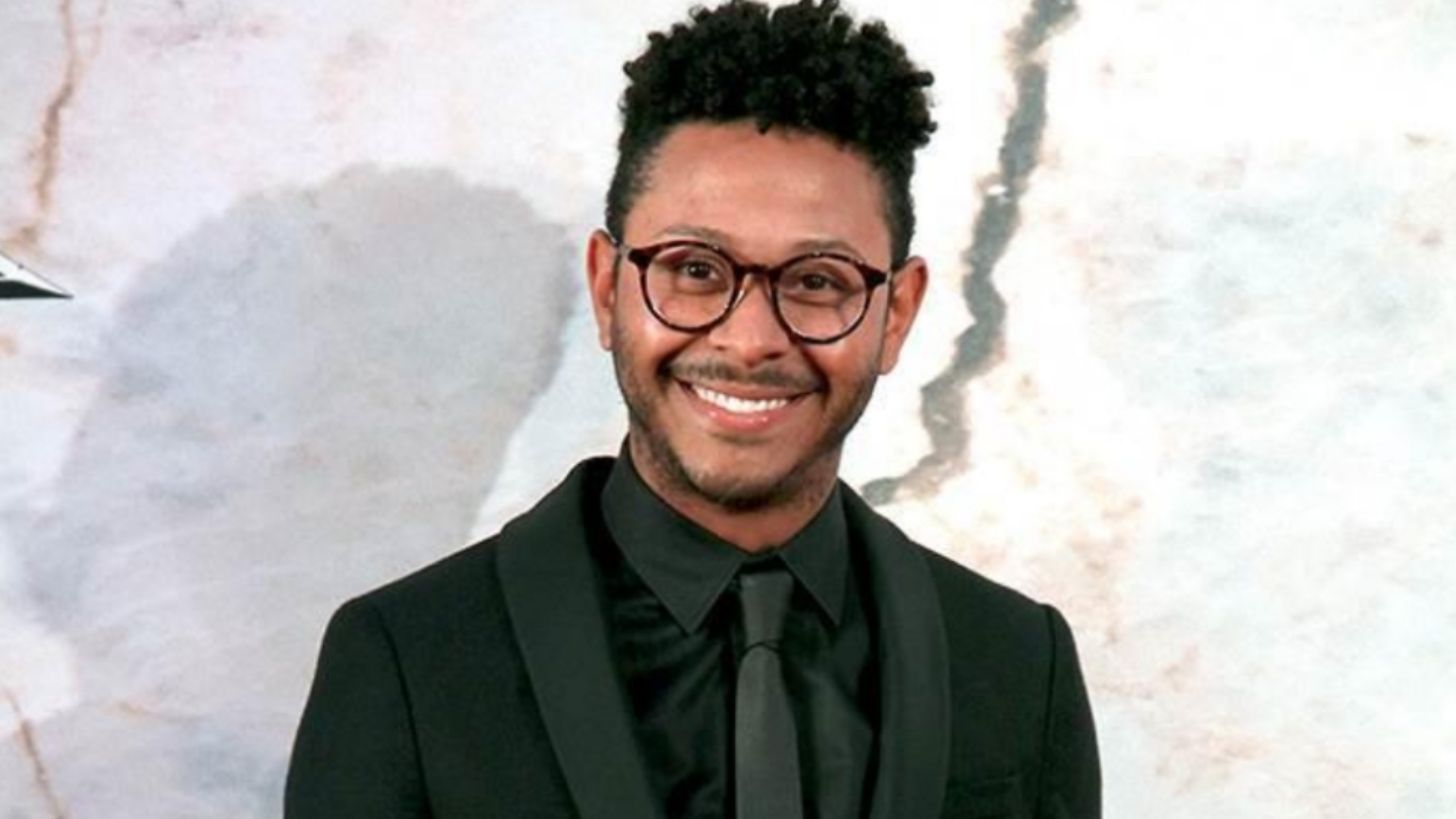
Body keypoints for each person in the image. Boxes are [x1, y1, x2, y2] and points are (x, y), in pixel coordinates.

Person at [284, 1, 1100, 817]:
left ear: (897, 313)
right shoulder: (405, 660)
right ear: (607, 287)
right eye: (696, 269)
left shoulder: (1022, 663)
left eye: (818, 281)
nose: (751, 340)